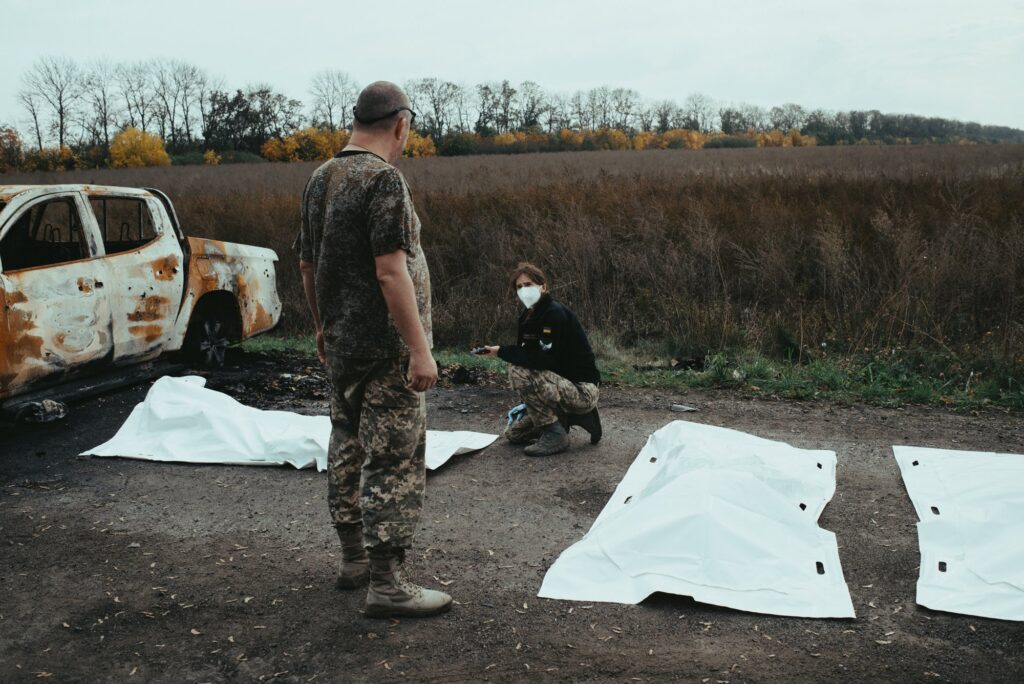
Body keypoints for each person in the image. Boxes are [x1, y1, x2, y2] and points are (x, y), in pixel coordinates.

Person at [295, 81, 451, 619]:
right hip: (387, 355)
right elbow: (392, 271)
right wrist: (420, 350)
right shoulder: (383, 180)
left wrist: (321, 328)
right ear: (401, 124)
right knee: (395, 459)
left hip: (342, 349)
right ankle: (386, 583)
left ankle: (354, 559)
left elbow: (307, 266)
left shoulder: (321, 179)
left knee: (347, 445)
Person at [478, 262, 602, 456]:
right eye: (519, 287)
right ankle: (570, 419)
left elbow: (543, 361)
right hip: (559, 385)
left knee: (517, 370)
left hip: (582, 390)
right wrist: (499, 351)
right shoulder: (528, 316)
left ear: (543, 286)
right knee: (514, 435)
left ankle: (557, 433)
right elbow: (526, 354)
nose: (523, 290)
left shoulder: (554, 314)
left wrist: (501, 351)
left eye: (528, 284)